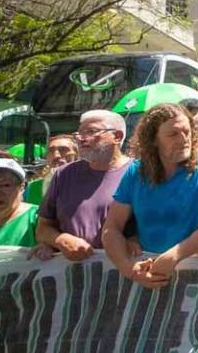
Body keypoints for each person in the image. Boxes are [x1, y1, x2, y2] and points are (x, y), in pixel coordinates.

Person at [102, 104, 198, 289]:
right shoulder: (136, 171)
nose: (184, 139)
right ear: (153, 140)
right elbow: (111, 227)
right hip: (147, 275)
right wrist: (129, 269)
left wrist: (175, 255)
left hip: (195, 275)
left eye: (187, 132)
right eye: (173, 134)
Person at [36, 111, 132, 260]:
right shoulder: (63, 175)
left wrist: (134, 241)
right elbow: (43, 228)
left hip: (124, 274)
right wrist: (60, 240)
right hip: (71, 273)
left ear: (117, 137)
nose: (81, 139)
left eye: (92, 132)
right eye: (79, 133)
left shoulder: (139, 174)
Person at [24, 133, 79, 205]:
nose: (56, 155)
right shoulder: (33, 187)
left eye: (63, 149)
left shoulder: (89, 185)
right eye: (51, 151)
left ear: (77, 155)